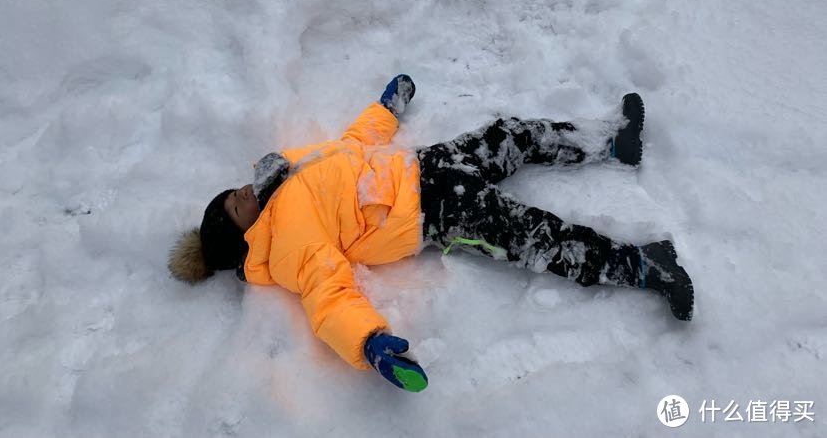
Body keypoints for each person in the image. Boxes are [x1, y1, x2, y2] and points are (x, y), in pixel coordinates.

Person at [168, 75, 694, 393]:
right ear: (244, 235)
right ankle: (644, 266)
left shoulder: (285, 173)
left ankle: (608, 141)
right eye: (237, 207)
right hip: (437, 213)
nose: (241, 192)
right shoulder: (286, 248)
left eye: (233, 193)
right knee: (533, 235)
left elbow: (349, 146)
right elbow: (328, 297)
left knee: (507, 134)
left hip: (427, 164)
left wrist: (384, 111)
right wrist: (371, 344)